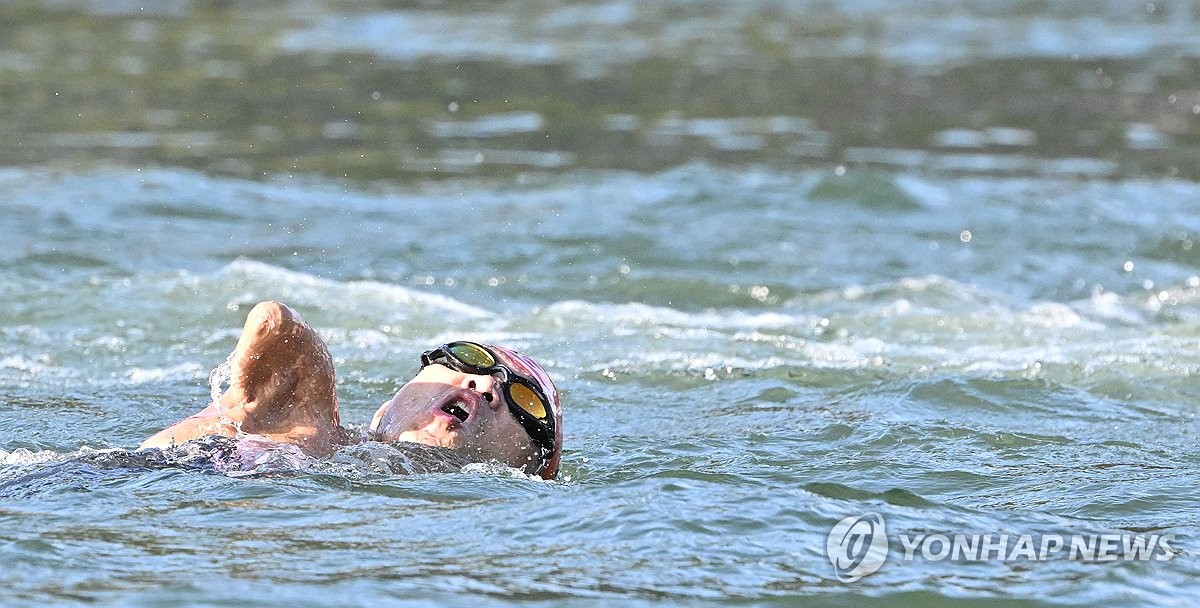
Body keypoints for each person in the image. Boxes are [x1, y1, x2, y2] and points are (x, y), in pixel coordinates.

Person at [139, 301, 562, 479]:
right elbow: (273, 321)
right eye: (466, 358)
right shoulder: (307, 417)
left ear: (530, 469)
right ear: (383, 411)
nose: (486, 384)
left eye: (525, 401)